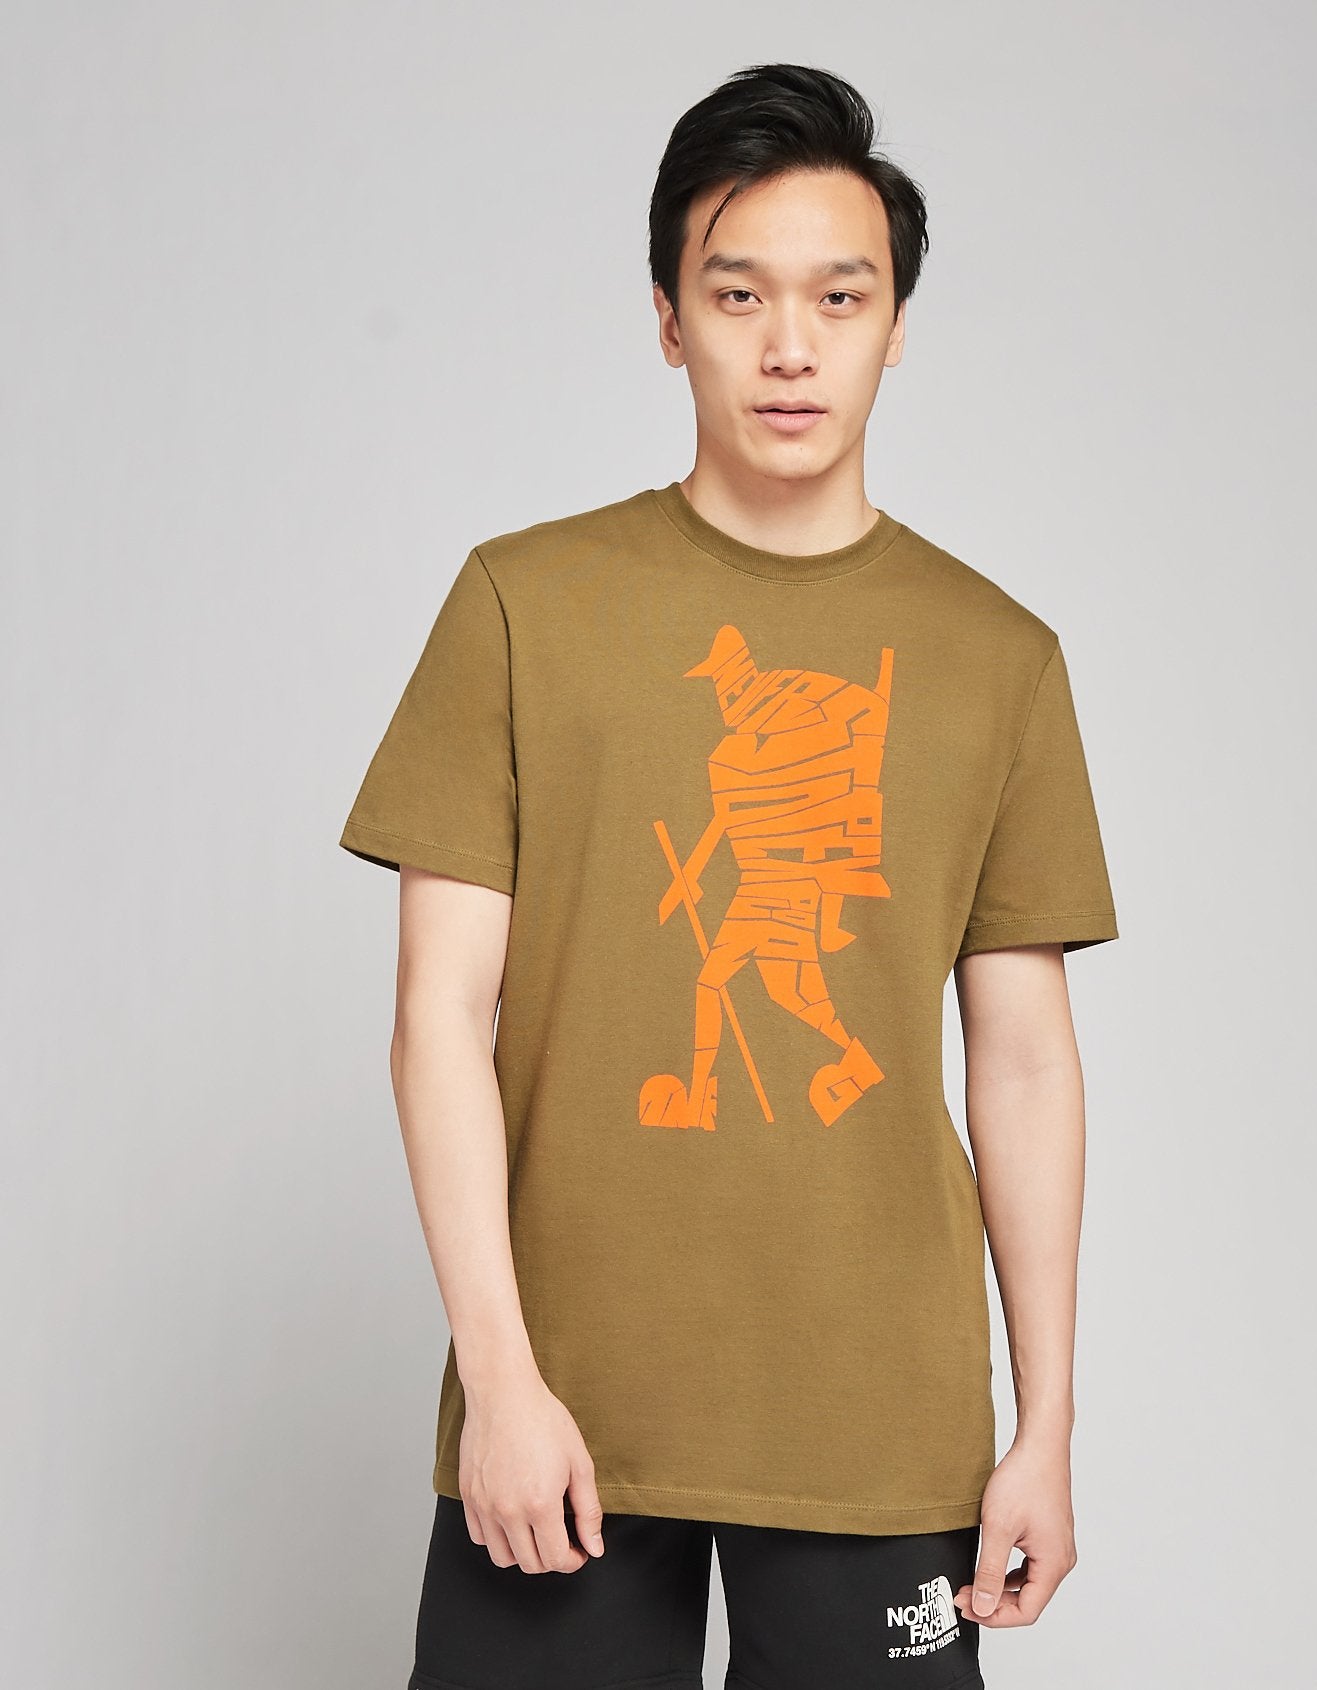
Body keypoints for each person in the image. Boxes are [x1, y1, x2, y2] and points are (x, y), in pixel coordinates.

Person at [338, 61, 1118, 1690]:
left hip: (878, 1418)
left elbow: (1027, 1062)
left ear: (895, 325)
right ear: (667, 318)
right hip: (565, 1410)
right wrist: (499, 1374)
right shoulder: (523, 606)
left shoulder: (998, 659)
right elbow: (439, 1016)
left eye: (841, 295)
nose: (790, 346)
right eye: (738, 292)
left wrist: (1044, 1421)